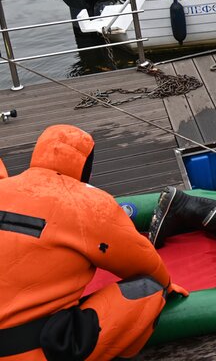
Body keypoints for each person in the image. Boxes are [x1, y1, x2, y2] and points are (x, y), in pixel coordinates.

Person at [0, 125, 186, 361]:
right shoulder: (89, 204)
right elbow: (142, 260)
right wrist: (168, 286)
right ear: (85, 166)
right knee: (148, 289)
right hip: (43, 347)